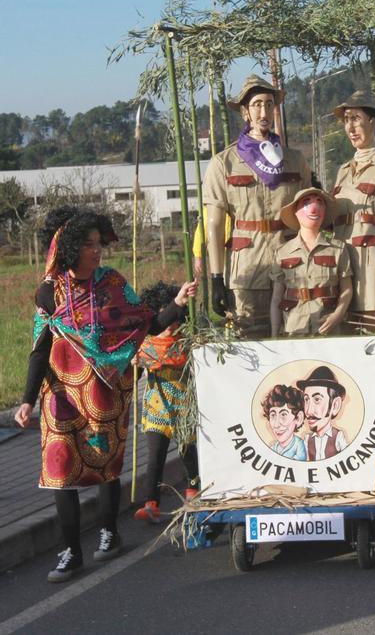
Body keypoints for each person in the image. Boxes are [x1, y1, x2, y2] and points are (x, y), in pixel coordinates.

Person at [16, 206, 196, 582]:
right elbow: (39, 346)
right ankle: (71, 553)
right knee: (58, 470)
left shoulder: (112, 282)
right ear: (68, 247)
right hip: (60, 393)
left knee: (105, 466)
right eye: (87, 244)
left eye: (99, 243)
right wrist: (28, 399)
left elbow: (144, 324)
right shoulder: (50, 292)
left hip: (105, 390)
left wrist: (176, 304)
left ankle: (110, 532)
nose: (96, 250)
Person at [203, 74, 311, 336]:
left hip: (291, 263)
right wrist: (216, 278)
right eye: (257, 104)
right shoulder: (224, 163)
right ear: (245, 112)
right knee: (250, 340)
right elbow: (214, 226)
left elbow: (310, 216)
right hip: (246, 270)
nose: (264, 111)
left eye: (270, 104)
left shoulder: (295, 160)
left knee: (295, 337)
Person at [329, 91, 375, 333]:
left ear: (373, 122)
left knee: (374, 334)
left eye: (356, 118)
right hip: (342, 266)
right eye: (346, 120)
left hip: (373, 268)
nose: (351, 127)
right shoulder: (342, 171)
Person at [131, 282, 201, 525]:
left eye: (172, 316)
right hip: (156, 408)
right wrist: (132, 366)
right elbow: (134, 376)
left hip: (184, 407)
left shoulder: (188, 341)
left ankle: (194, 495)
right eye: (163, 315)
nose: (169, 322)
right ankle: (151, 503)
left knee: (188, 454)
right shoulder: (146, 343)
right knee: (155, 457)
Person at [269, 188, 353, 337]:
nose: (314, 208)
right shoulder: (283, 252)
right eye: (306, 203)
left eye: (320, 203)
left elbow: (347, 290)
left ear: (325, 211)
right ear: (295, 212)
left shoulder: (337, 248)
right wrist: (275, 332)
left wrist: (337, 316)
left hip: (327, 328)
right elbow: (277, 297)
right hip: (293, 327)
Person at [298, 366, 350, 459]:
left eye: (317, 399)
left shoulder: (338, 437)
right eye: (306, 399)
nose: (308, 411)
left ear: (335, 405)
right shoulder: (307, 440)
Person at [261, 384, 307, 460]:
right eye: (272, 415)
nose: (276, 424)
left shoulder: (300, 445)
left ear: (298, 418)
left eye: (283, 415)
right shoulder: (273, 447)